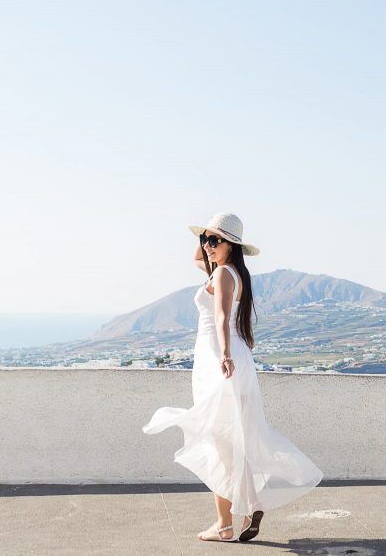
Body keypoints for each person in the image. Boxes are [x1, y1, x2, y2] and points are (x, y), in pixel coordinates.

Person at [142, 212, 323, 543]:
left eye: (215, 240)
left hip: (220, 360)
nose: (207, 246)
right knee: (230, 440)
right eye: (206, 239)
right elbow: (197, 256)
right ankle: (251, 504)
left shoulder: (224, 274)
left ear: (232, 245)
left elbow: (223, 316)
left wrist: (224, 356)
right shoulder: (232, 270)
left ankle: (225, 524)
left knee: (219, 442)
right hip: (232, 360)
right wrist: (208, 238)